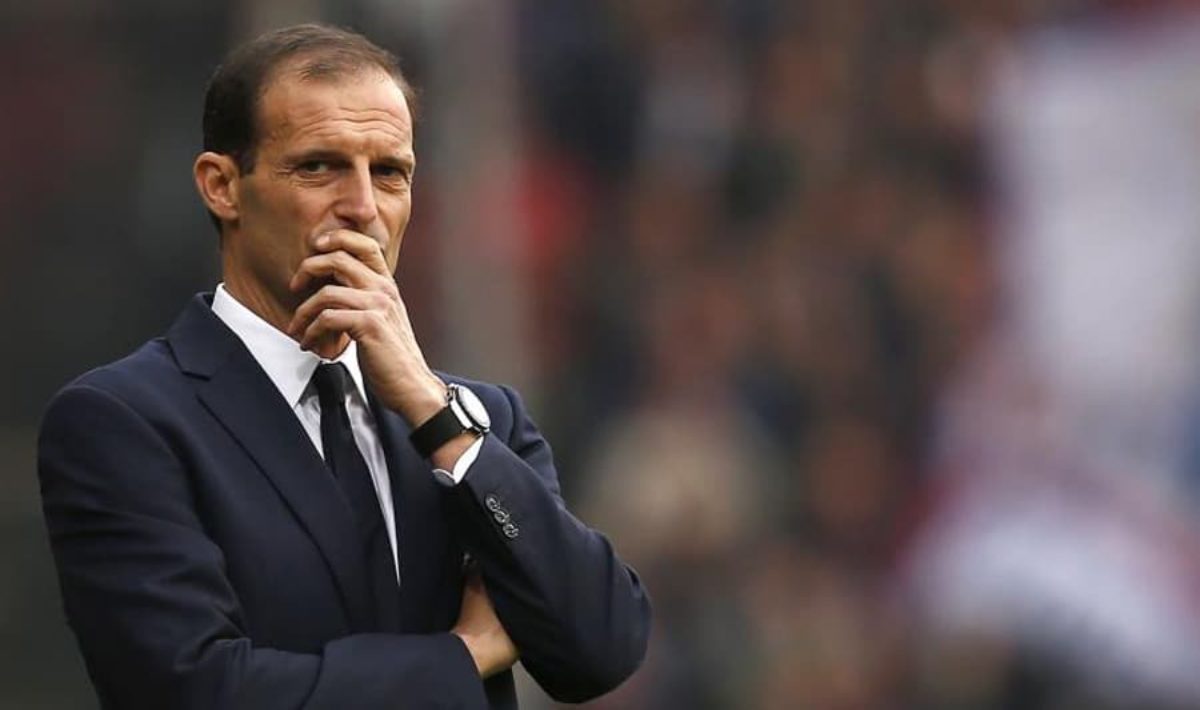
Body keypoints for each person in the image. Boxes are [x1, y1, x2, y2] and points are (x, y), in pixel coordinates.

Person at [37, 23, 650, 710]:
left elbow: (602, 646)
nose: (362, 208)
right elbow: (194, 691)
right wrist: (463, 656)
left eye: (389, 173)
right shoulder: (124, 423)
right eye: (318, 166)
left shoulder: (477, 423)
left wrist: (433, 412)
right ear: (221, 186)